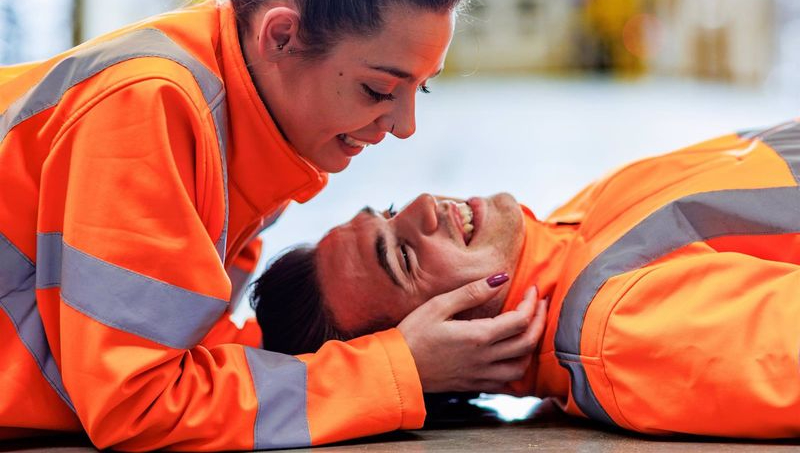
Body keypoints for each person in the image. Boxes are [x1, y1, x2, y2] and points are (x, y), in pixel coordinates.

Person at [0, 0, 541, 449]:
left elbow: (184, 360)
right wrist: (398, 368)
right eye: (379, 89)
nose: (404, 126)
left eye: (421, 86)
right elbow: (137, 403)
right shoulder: (153, 105)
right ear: (280, 35)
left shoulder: (251, 139)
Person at [254, 118, 800, 439]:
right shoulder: (621, 332)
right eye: (404, 259)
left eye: (392, 211)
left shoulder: (572, 228)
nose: (424, 205)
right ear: (447, 344)